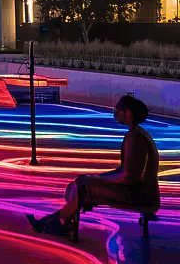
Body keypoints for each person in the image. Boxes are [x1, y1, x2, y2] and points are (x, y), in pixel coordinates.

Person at [27, 95, 160, 237]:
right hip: (137, 190)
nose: (115, 112)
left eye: (118, 109)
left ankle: (56, 222)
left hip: (140, 195)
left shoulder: (135, 138)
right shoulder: (137, 134)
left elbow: (130, 177)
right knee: (79, 184)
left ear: (128, 114)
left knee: (82, 187)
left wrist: (97, 179)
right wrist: (97, 177)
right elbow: (125, 171)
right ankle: (56, 221)